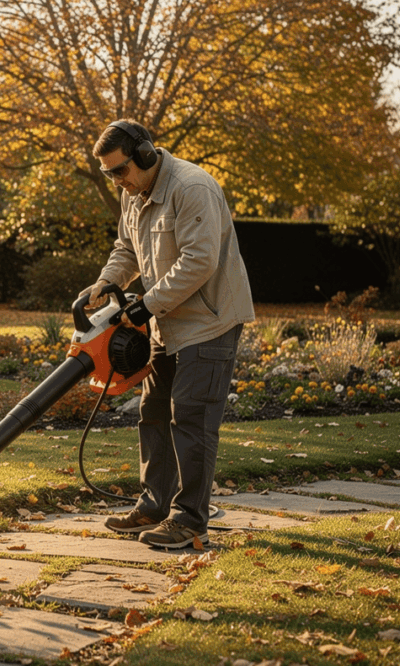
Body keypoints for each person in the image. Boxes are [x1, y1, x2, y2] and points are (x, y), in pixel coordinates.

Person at [79, 119, 255, 549]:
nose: (117, 181)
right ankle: (155, 506)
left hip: (208, 322)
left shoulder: (192, 187)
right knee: (154, 413)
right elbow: (126, 249)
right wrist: (106, 282)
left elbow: (199, 261)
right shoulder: (134, 195)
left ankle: (190, 520)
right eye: (109, 175)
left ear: (144, 154)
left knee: (191, 419)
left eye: (120, 170)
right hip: (166, 325)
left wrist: (143, 306)